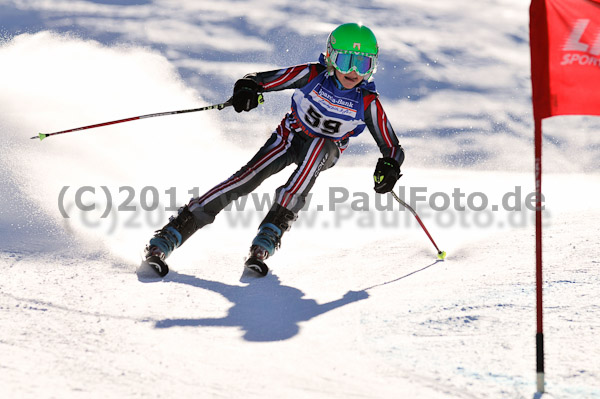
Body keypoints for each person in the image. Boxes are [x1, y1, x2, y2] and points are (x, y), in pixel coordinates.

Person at [143, 22, 405, 277]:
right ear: (331, 58)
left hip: (325, 151)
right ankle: (173, 233)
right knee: (246, 179)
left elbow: (392, 146)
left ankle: (271, 230)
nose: (354, 71)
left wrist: (390, 166)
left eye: (363, 63)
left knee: (319, 145)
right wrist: (248, 88)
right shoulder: (312, 75)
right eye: (347, 60)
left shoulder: (367, 101)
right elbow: (262, 80)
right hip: (289, 137)